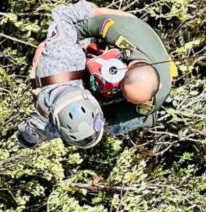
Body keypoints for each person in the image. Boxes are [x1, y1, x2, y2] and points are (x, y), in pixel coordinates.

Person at [16, 0, 106, 149]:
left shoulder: (64, 57)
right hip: (53, 73)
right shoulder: (46, 118)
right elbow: (28, 134)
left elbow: (63, 15)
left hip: (69, 47)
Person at [76, 5, 177, 136]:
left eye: (129, 98)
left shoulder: (155, 99)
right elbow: (84, 26)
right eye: (125, 94)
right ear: (124, 70)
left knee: (97, 126)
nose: (128, 100)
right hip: (128, 32)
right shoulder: (122, 32)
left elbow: (114, 115)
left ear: (159, 87)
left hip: (142, 108)